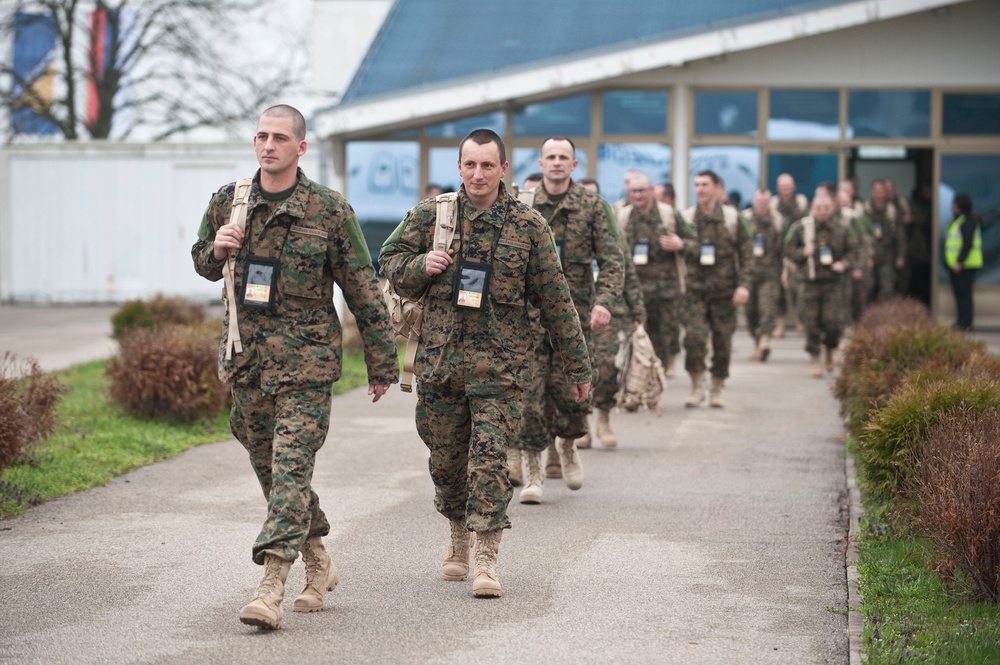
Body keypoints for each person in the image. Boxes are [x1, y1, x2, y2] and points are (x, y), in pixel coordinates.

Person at [191, 104, 399, 630]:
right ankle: (317, 555)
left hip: (306, 365)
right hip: (247, 364)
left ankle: (271, 587)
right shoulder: (228, 201)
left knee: (290, 469)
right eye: (261, 136)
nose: (268, 145)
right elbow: (200, 260)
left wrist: (381, 362)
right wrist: (217, 249)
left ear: (300, 147)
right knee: (273, 472)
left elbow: (363, 290)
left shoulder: (330, 211)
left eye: (280, 138)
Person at [379, 129, 591, 597]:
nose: (478, 174)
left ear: (503, 169)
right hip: (439, 366)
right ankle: (457, 533)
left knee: (490, 463)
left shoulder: (528, 225)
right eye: (470, 165)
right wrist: (421, 266)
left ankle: (487, 558)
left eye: (487, 166)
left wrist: (578, 369)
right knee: (447, 463)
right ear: (459, 168)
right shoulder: (432, 215)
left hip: (501, 371)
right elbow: (388, 259)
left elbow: (557, 301)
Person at [514, 136, 624, 503]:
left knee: (573, 397)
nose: (557, 162)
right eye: (551, 157)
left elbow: (612, 260)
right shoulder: (522, 206)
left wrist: (604, 302)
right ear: (541, 163)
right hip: (528, 320)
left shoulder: (593, 206)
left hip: (575, 320)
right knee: (530, 398)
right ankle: (534, 472)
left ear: (574, 165)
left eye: (564, 157)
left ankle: (568, 445)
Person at [679, 170, 752, 408]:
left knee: (723, 343)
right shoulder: (687, 218)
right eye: (697, 184)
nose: (700, 189)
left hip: (724, 293)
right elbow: (677, 250)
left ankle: (717, 387)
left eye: (705, 184)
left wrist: (744, 285)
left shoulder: (733, 219)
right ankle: (697, 385)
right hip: (694, 291)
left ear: (718, 188)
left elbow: (747, 254)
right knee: (694, 339)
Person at [618, 171, 684, 377]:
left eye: (642, 191)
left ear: (652, 191)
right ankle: (633, 387)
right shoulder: (623, 216)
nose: (638, 196)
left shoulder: (669, 214)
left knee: (662, 341)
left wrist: (681, 244)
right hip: (634, 292)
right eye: (633, 191)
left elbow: (694, 241)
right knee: (633, 339)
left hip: (665, 293)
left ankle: (654, 384)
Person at [784, 190, 855, 377]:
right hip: (809, 283)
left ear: (832, 208)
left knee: (833, 323)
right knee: (811, 323)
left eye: (826, 208)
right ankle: (815, 359)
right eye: (818, 208)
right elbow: (787, 249)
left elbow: (855, 251)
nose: (822, 211)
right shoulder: (801, 228)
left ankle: (830, 349)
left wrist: (844, 263)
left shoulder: (842, 229)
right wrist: (803, 252)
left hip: (833, 283)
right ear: (812, 208)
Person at [743, 188, 785, 361]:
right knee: (750, 311)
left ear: (770, 202)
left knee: (767, 307)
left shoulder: (777, 220)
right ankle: (757, 342)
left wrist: (785, 271)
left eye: (765, 201)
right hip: (749, 272)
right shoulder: (744, 219)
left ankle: (765, 341)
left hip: (770, 272)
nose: (762, 204)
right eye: (759, 201)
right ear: (754, 201)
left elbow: (783, 247)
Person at [772, 174, 809, 338]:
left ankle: (801, 319)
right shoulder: (773, 204)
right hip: (778, 254)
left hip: (796, 253)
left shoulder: (801, 204)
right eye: (783, 187)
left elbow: (806, 226)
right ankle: (780, 325)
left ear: (793, 187)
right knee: (778, 292)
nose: (786, 190)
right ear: (778, 188)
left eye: (788, 187)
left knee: (797, 289)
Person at [944, 193, 983, 331]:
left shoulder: (967, 221)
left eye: (954, 204)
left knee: (964, 295)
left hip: (965, 265)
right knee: (961, 295)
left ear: (957, 206)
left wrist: (959, 262)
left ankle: (965, 324)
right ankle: (962, 322)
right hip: (960, 265)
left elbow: (967, 243)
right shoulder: (960, 220)